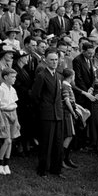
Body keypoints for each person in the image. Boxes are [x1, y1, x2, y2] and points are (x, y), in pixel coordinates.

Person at [31, 50, 65, 178]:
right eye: (51, 60)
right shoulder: (42, 75)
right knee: (46, 143)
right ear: (45, 60)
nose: (54, 62)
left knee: (58, 143)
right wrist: (43, 108)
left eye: (56, 60)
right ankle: (42, 170)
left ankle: (56, 169)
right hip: (46, 114)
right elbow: (35, 96)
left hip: (58, 113)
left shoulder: (58, 75)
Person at [0, 67, 20, 175]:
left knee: (11, 140)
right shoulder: (1, 89)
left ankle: (6, 163)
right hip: (4, 114)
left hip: (13, 113)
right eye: (12, 77)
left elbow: (14, 106)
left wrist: (17, 121)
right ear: (5, 77)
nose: (14, 79)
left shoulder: (12, 89)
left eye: (15, 77)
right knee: (7, 140)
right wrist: (1, 121)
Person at [60, 68, 79, 169]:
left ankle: (66, 158)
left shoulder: (67, 85)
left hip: (68, 112)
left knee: (70, 135)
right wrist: (73, 112)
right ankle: (62, 159)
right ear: (72, 77)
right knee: (69, 135)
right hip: (67, 112)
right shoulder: (65, 85)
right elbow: (67, 100)